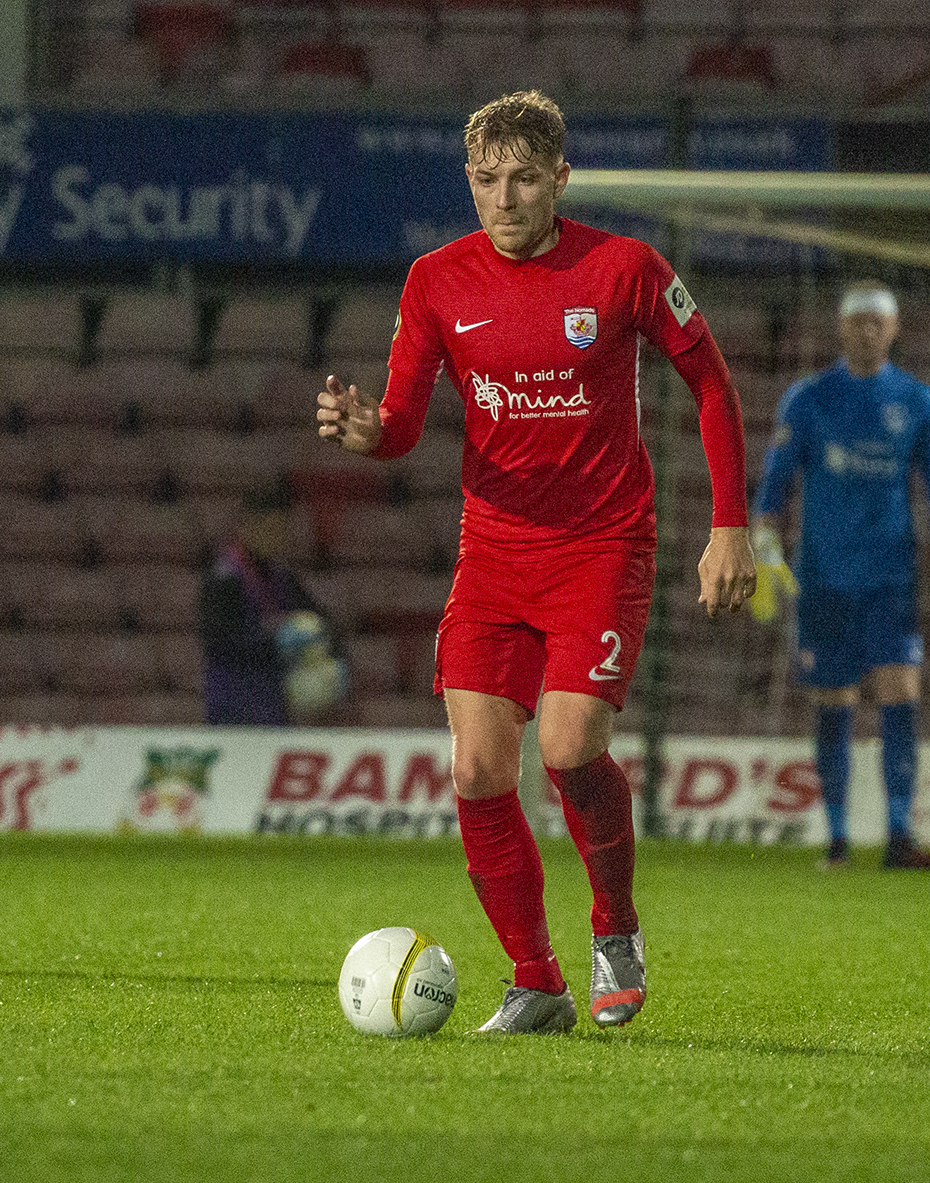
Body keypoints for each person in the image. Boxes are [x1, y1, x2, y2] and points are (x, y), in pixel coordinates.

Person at [316, 91, 756, 1034]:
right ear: (467, 183)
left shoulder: (625, 268)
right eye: (487, 181)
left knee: (567, 747)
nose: (505, 199)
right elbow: (399, 426)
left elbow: (711, 384)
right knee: (477, 769)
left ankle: (616, 927)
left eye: (524, 179)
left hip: (601, 546)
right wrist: (367, 433)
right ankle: (536, 981)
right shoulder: (436, 281)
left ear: (561, 179)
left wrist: (730, 526)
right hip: (495, 554)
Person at [748, 281, 930, 871]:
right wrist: (763, 542)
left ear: (894, 330)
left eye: (878, 322)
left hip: (890, 578)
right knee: (835, 701)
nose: (867, 330)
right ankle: (836, 837)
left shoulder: (917, 400)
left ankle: (900, 834)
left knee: (902, 692)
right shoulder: (807, 400)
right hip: (823, 577)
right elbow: (775, 480)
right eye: (857, 321)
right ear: (841, 328)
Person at [199, 481, 348, 725]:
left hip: (272, 708)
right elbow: (219, 642)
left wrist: (326, 647)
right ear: (248, 525)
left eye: (282, 530)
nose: (278, 538)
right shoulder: (223, 577)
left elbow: (319, 619)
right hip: (231, 708)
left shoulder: (281, 575)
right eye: (271, 529)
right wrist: (278, 637)